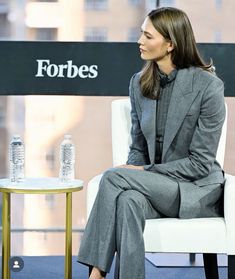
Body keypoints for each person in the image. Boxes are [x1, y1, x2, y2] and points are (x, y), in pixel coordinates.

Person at [78, 7, 225, 279]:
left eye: (148, 36)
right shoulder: (139, 83)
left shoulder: (209, 87)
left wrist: (142, 173)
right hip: (153, 187)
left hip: (194, 188)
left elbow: (200, 164)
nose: (140, 41)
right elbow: (137, 148)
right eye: (141, 34)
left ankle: (94, 274)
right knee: (128, 200)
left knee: (112, 177)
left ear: (171, 44)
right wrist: (136, 173)